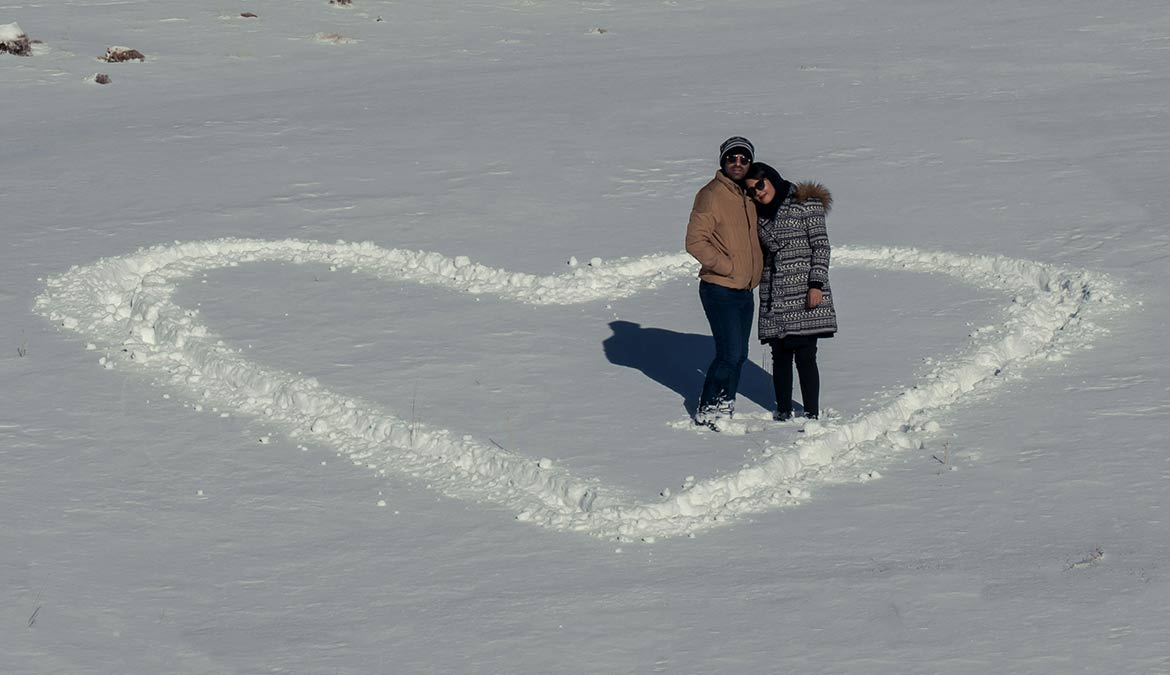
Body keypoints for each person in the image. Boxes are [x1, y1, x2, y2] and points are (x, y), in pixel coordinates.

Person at [743, 161, 837, 421]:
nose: (758, 193)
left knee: (806, 354)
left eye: (759, 185)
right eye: (751, 190)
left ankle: (811, 414)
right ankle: (783, 411)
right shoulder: (758, 215)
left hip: (805, 289)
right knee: (780, 354)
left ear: (771, 178)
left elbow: (821, 247)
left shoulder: (805, 203)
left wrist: (816, 285)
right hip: (775, 291)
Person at [685, 137, 764, 428]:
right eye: (733, 158)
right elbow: (694, 241)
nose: (738, 164)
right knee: (729, 353)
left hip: (744, 290)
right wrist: (728, 267)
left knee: (739, 354)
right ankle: (708, 408)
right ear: (723, 162)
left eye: (744, 159)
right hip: (720, 288)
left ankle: (725, 404)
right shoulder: (711, 194)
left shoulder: (748, 195)